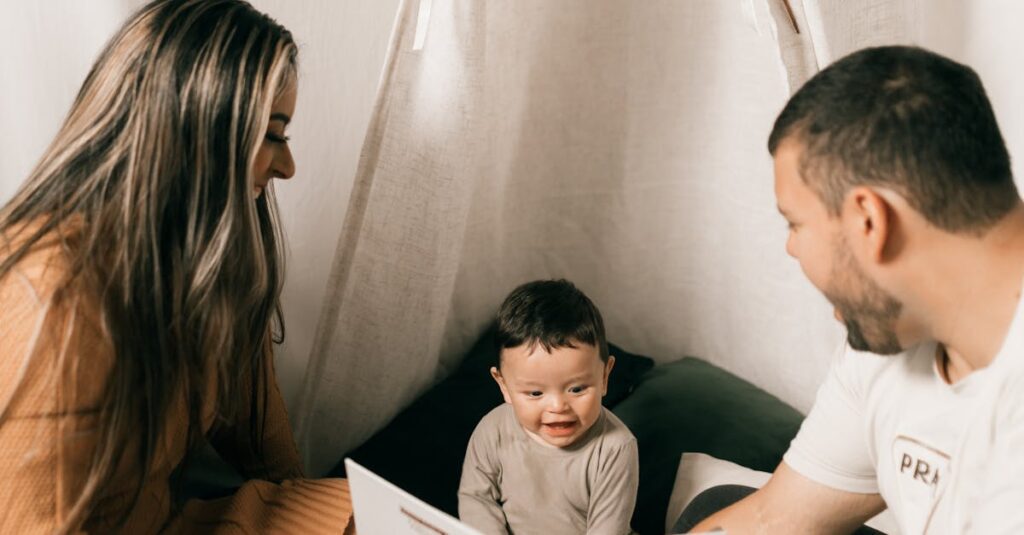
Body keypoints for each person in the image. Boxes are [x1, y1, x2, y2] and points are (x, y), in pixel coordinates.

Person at [0, 1, 354, 533]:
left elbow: (263, 442)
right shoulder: (56, 300)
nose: (289, 166)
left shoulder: (214, 262)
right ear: (201, 132)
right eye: (274, 135)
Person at [684, 45, 1024, 533]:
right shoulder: (895, 323)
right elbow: (772, 517)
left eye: (795, 224)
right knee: (716, 508)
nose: (791, 249)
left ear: (869, 220)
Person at [458, 279, 639, 534]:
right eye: (535, 393)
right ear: (504, 387)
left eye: (577, 389)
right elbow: (476, 498)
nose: (557, 406)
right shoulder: (493, 429)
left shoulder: (615, 448)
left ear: (604, 377)